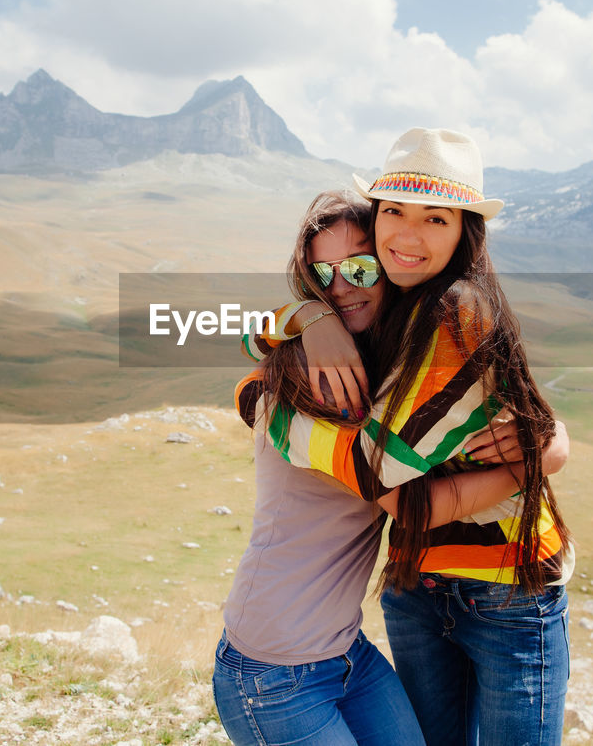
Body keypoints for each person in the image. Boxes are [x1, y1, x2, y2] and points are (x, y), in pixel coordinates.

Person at [245, 129, 574, 746]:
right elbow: (251, 344)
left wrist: (541, 455)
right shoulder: (385, 317)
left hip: (507, 587)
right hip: (416, 584)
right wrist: (306, 317)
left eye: (435, 218)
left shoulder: (457, 309)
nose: (408, 235)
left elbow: (381, 476)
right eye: (394, 210)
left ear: (464, 231)